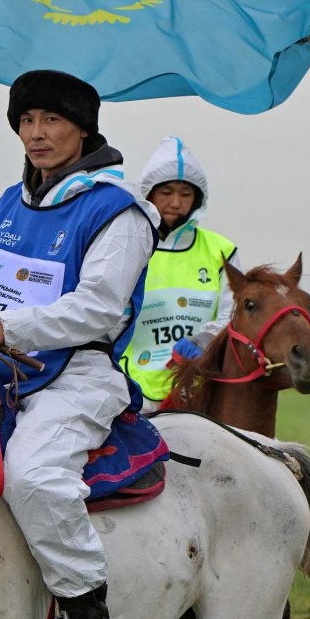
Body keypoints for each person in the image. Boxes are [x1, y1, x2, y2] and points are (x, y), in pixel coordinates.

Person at [0, 69, 158, 619]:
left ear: (83, 131)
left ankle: (84, 610)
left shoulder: (119, 211)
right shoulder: (9, 203)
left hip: (78, 377)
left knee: (32, 476)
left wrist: (6, 330)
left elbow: (99, 308)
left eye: (51, 120)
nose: (36, 133)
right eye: (26, 121)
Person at [120, 135, 240, 412]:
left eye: (185, 194)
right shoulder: (128, 245)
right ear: (148, 193)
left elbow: (234, 313)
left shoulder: (221, 250)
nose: (175, 202)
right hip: (130, 389)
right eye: (166, 192)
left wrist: (204, 340)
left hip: (199, 388)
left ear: (197, 199)